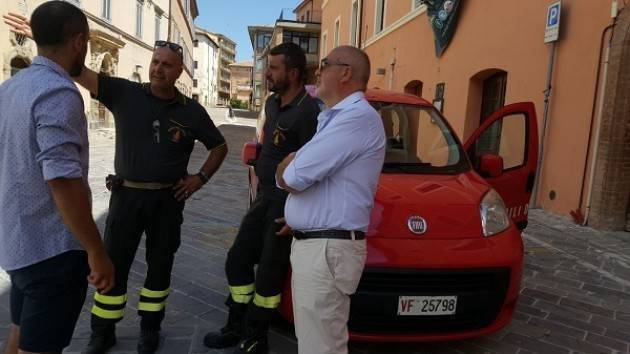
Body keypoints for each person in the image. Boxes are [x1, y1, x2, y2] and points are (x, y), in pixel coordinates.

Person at [3, 12, 229, 354]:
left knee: (159, 269)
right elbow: (76, 69)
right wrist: (42, 40)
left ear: (179, 71)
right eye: (155, 62)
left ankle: (150, 329)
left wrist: (200, 178)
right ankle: (102, 331)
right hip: (125, 198)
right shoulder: (124, 92)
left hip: (168, 202)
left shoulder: (191, 112)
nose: (157, 69)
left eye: (167, 65)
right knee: (114, 267)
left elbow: (220, 146)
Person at [0, 2, 115, 354]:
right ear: (79, 42)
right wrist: (96, 251)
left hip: (19, 244)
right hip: (53, 252)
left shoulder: (11, 88)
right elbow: (63, 180)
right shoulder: (59, 92)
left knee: (20, 336)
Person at [203, 42, 320, 354]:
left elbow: (315, 169)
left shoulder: (309, 112)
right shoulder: (272, 103)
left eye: (274, 68)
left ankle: (257, 337)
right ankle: (235, 324)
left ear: (293, 72)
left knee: (269, 273)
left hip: (286, 204)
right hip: (264, 197)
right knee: (237, 260)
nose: (268, 73)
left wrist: (300, 214)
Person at [276, 46, 386, 354]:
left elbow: (293, 177)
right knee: (316, 342)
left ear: (346, 73)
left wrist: (290, 166)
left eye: (324, 64)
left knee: (321, 347)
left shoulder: (355, 119)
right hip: (320, 246)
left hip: (326, 250)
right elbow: (300, 177)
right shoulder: (335, 118)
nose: (317, 71)